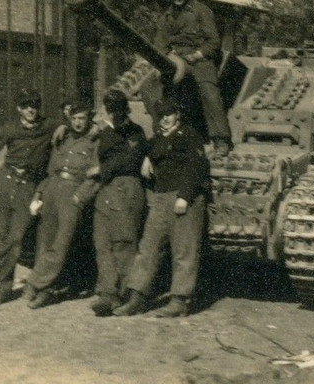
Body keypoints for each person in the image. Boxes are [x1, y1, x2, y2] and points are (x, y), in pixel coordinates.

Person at [114, 99, 211, 318]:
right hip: (161, 198)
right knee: (148, 248)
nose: (165, 118)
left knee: (183, 251)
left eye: (169, 114)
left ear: (177, 114)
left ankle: (179, 301)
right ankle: (137, 297)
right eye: (161, 115)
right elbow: (139, 146)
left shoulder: (189, 135)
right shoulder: (158, 138)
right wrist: (147, 157)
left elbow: (198, 166)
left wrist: (185, 196)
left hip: (184, 198)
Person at [0, 89, 54, 305]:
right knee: (1, 240)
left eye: (34, 105)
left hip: (28, 187)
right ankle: (3, 288)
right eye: (26, 105)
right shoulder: (10, 129)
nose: (30, 110)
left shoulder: (49, 127)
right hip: (4, 184)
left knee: (16, 239)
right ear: (19, 108)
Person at [22, 98, 101, 309]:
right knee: (44, 240)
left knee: (61, 243)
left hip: (73, 193)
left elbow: (95, 175)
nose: (78, 123)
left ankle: (35, 283)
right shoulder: (62, 137)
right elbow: (50, 171)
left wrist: (80, 197)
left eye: (82, 118)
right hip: (52, 190)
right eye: (74, 118)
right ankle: (44, 289)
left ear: (89, 120)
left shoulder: (95, 141)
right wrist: (39, 193)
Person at [153, 0, 233, 157]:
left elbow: (213, 41)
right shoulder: (166, 18)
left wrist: (197, 55)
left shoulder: (201, 11)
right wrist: (170, 57)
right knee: (151, 88)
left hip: (200, 59)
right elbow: (160, 46)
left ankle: (221, 139)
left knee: (209, 91)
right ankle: (160, 133)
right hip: (175, 61)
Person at [88, 89, 149, 317]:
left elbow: (129, 158)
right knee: (102, 244)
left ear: (126, 109)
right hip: (105, 191)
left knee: (124, 244)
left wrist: (102, 169)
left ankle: (125, 294)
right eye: (110, 109)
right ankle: (107, 293)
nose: (114, 114)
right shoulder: (104, 132)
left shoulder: (135, 132)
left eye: (118, 109)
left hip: (126, 188)